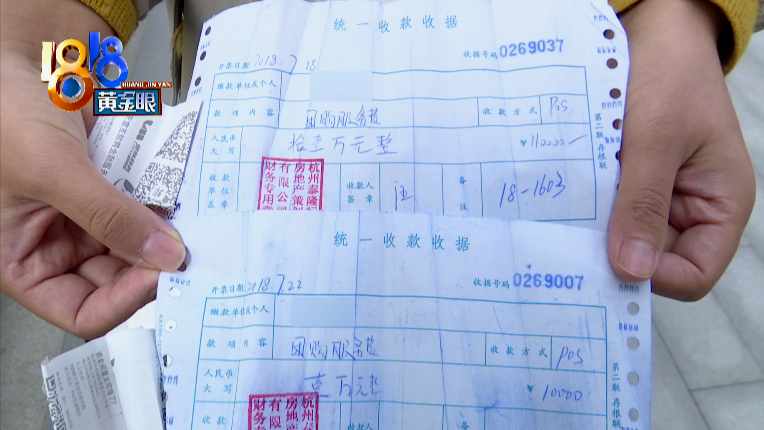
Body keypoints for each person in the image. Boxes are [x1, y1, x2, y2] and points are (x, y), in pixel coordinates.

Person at [0, 0, 761, 339]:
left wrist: (683, 14)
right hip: (227, 210)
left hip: (549, 198)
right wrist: (33, 45)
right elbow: (58, 29)